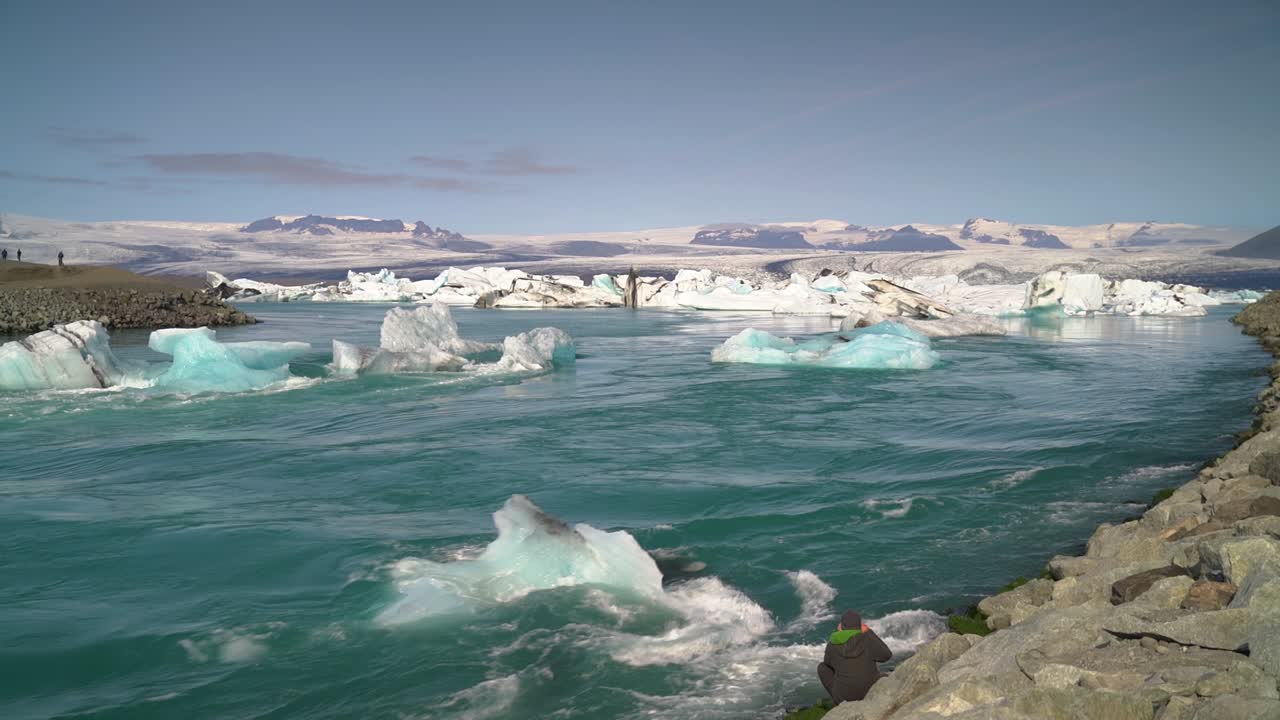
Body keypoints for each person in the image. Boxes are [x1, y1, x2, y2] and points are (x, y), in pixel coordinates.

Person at [817, 609, 892, 705]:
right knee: (883, 675)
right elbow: (886, 656)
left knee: (822, 667)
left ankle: (839, 702)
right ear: (860, 626)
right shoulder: (867, 638)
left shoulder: (833, 643)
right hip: (869, 690)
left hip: (844, 697)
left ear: (841, 626)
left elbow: (827, 663)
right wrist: (869, 632)